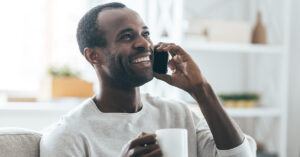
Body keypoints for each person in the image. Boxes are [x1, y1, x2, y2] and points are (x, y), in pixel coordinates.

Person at [40, 2, 256, 157]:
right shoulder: (67, 136)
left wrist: (200, 89)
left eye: (145, 33)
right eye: (127, 36)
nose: (144, 43)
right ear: (93, 55)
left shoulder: (178, 114)